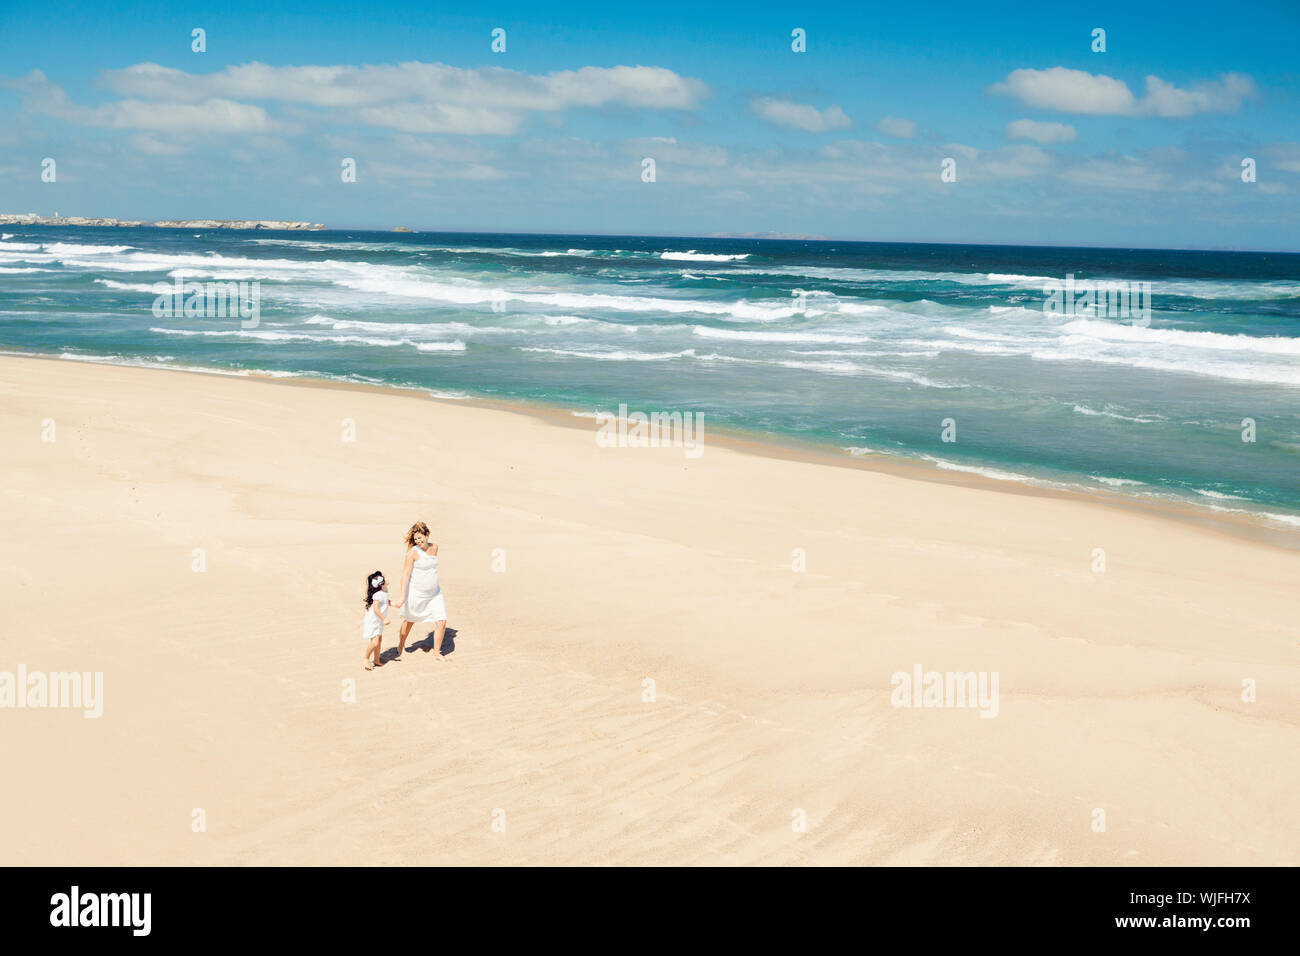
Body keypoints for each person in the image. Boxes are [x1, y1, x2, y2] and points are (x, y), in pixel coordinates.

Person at [392, 521, 449, 660]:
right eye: (416, 539)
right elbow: (405, 575)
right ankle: (401, 645)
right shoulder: (412, 554)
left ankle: (437, 653)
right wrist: (402, 597)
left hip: (434, 594)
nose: (418, 541)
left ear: (426, 535)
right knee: (409, 620)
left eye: (420, 538)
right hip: (416, 593)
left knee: (441, 622)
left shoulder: (435, 547)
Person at [362, 570, 390, 671]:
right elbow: (376, 608)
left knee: (379, 640)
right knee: (375, 642)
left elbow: (386, 601)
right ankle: (366, 658)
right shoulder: (378, 595)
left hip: (378, 620)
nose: (386, 577)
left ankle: (377, 660)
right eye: (384, 577)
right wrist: (384, 618)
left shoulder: (385, 590)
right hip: (373, 620)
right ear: (380, 583)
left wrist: (394, 604)